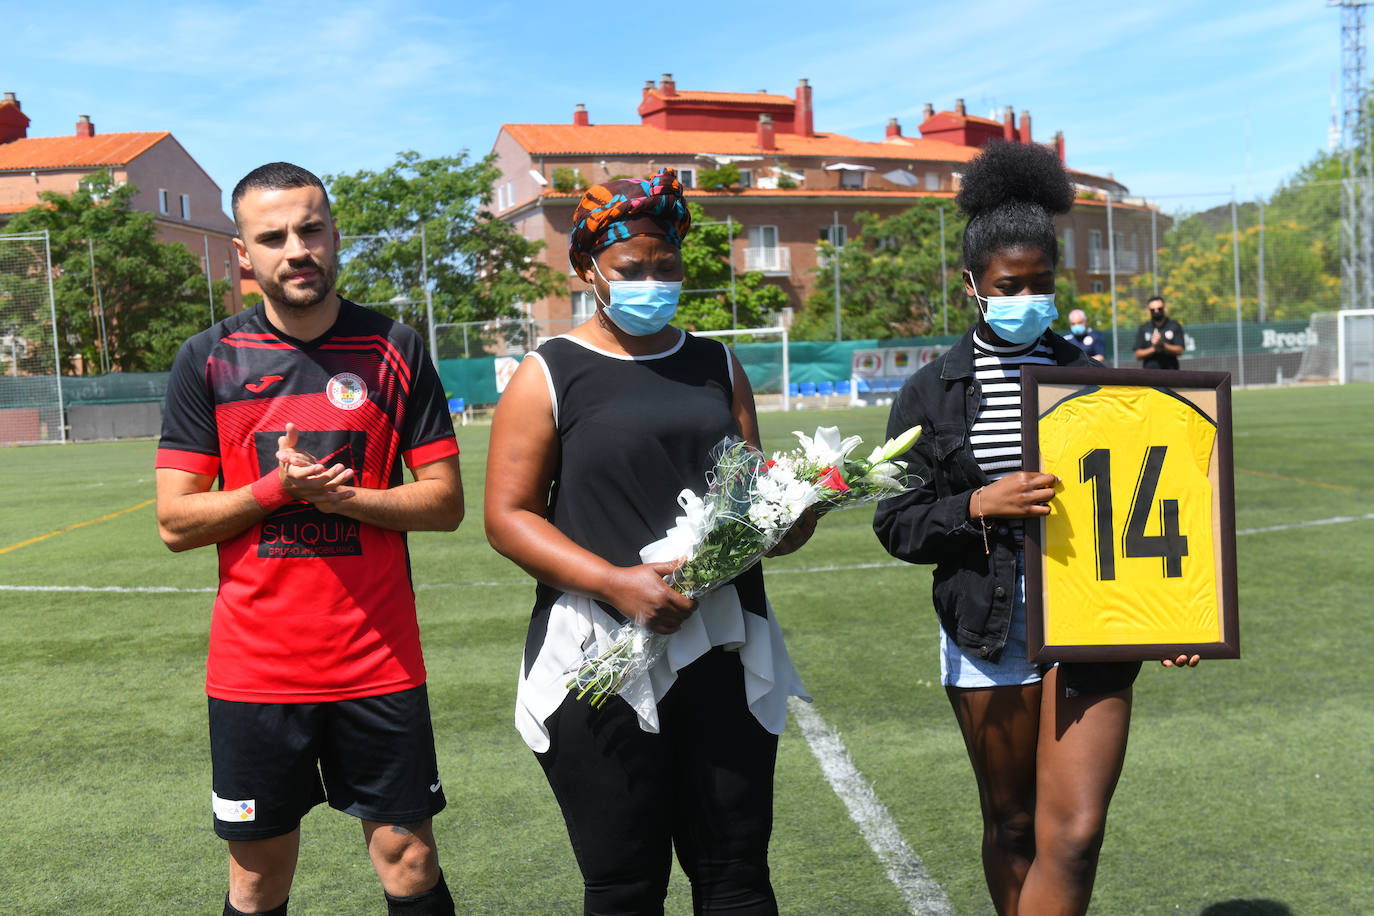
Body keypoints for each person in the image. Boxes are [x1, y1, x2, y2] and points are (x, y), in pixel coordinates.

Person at [871, 142, 1197, 916]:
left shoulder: (1099, 379)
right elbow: (896, 522)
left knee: (1076, 835)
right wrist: (976, 506)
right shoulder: (930, 392)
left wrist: (1179, 611)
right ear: (973, 286)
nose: (1026, 299)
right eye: (1008, 287)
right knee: (1012, 824)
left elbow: (1147, 507)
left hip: (1096, 622)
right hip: (991, 626)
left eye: (1041, 286)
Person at [484, 168, 813, 915]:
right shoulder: (548, 373)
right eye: (631, 269)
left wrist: (792, 520)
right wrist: (615, 582)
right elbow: (508, 517)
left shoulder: (718, 363)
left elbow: (750, 498)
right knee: (624, 886)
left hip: (721, 647)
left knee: (735, 879)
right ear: (587, 270)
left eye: (666, 267)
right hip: (597, 654)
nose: (651, 282)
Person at [155, 162, 463, 916]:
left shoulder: (396, 347)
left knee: (410, 858)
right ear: (243, 254)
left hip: (380, 661)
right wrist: (275, 490)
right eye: (273, 236)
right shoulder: (208, 360)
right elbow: (174, 522)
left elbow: (446, 503)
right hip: (257, 671)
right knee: (259, 876)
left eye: (311, 229)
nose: (297, 249)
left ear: (334, 236)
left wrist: (346, 496)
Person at [1133, 295, 1185, 369]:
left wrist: (1162, 345)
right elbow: (1138, 354)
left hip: (1171, 374)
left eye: (1159, 309)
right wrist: (1154, 348)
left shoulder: (1174, 326)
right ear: (1148, 311)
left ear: (1165, 308)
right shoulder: (1144, 328)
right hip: (1149, 375)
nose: (1156, 312)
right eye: (1153, 310)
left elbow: (1180, 350)